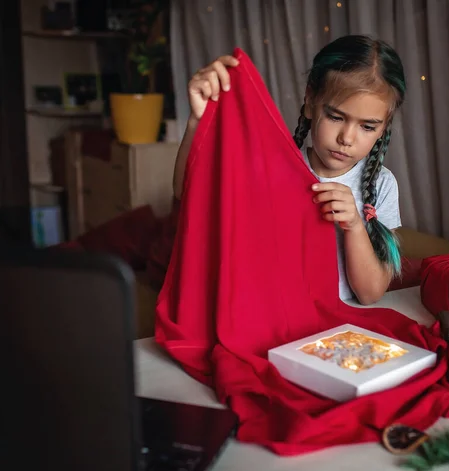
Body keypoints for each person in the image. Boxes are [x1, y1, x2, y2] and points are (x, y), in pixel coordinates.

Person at [172, 35, 405, 305]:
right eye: (335, 117)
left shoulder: (382, 185)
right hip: (275, 320)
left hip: (341, 331)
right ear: (310, 101)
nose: (347, 138)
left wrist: (354, 225)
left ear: (384, 126)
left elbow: (370, 294)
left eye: (367, 126)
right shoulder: (269, 168)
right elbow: (185, 192)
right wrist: (197, 121)